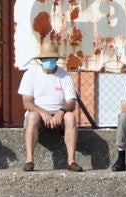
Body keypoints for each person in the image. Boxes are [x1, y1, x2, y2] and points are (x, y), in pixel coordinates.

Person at [18, 40, 82, 171]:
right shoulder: (30, 74)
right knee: (33, 116)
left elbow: (71, 102)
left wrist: (61, 111)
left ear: (56, 59)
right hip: (39, 115)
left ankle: (71, 161)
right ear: (41, 59)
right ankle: (29, 160)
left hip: (59, 115)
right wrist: (43, 112)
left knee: (70, 117)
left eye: (51, 58)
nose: (49, 61)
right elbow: (27, 102)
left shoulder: (65, 76)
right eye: (45, 58)